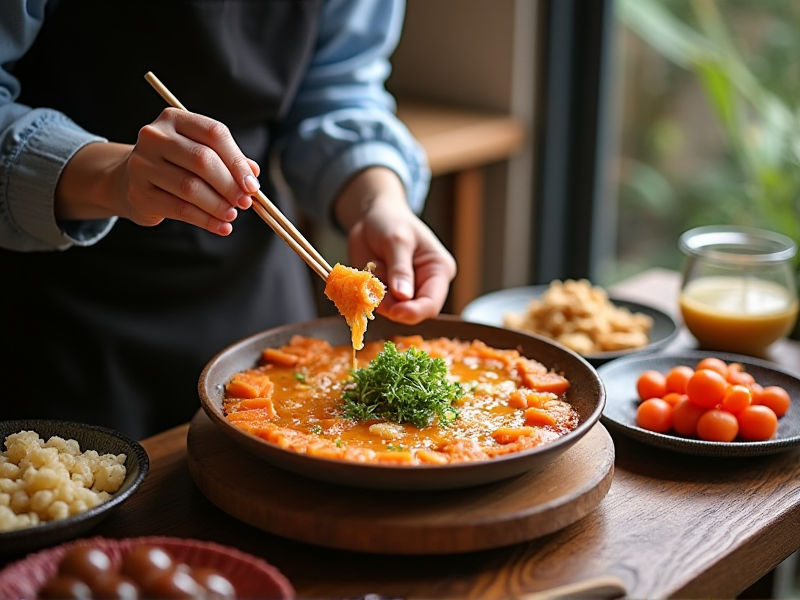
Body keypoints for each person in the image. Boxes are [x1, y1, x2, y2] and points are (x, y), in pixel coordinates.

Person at [0, 0, 456, 439]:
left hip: (256, 299)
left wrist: (379, 203)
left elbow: (337, 90)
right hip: (61, 316)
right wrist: (112, 178)